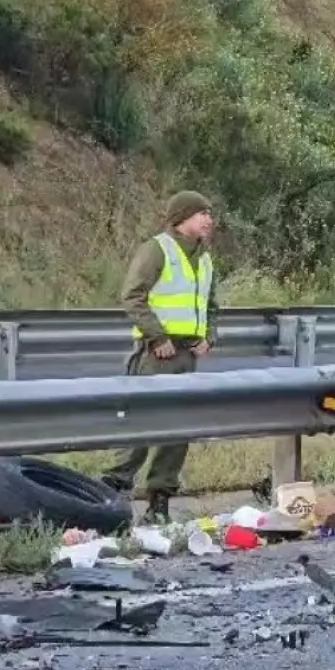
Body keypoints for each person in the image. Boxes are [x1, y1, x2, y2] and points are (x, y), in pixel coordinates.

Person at [102, 190, 218, 524]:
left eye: (209, 214)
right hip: (157, 353)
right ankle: (111, 495)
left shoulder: (204, 258)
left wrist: (208, 336)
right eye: (201, 213)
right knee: (141, 421)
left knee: (178, 430)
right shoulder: (157, 250)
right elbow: (133, 296)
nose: (208, 220)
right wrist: (158, 337)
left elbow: (211, 304)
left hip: (187, 354)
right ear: (182, 217)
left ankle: (160, 501)